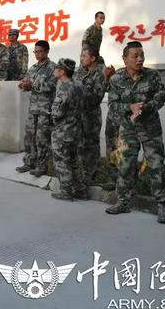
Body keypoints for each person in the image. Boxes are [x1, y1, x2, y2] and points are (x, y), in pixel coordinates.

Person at [105, 41, 165, 224]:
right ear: (125, 59)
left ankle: (162, 204)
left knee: (156, 165)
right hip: (128, 129)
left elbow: (161, 96)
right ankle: (123, 201)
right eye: (135, 56)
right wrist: (129, 107)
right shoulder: (116, 79)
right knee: (125, 165)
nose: (140, 59)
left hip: (150, 128)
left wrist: (147, 107)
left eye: (142, 55)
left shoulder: (152, 75)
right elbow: (113, 105)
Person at [16, 40, 57, 177]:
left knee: (42, 139)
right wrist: (23, 84)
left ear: (46, 51)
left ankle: (42, 166)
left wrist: (32, 85)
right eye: (35, 51)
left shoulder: (53, 68)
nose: (37, 54)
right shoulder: (32, 68)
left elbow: (51, 86)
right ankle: (29, 162)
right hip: (33, 108)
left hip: (45, 110)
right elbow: (26, 80)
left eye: (39, 51)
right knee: (29, 137)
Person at [50, 59, 81, 201]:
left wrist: (53, 116)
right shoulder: (77, 85)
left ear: (62, 71)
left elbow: (57, 113)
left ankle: (66, 191)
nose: (55, 69)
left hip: (63, 130)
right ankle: (80, 190)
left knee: (62, 161)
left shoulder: (64, 87)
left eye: (57, 67)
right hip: (75, 128)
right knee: (74, 161)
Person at [75, 46, 106, 189]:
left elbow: (96, 97)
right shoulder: (80, 73)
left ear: (93, 58)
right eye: (81, 56)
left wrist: (80, 92)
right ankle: (81, 177)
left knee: (91, 147)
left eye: (84, 56)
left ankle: (91, 176)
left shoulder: (98, 75)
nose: (81, 59)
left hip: (91, 117)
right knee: (80, 146)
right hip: (78, 116)